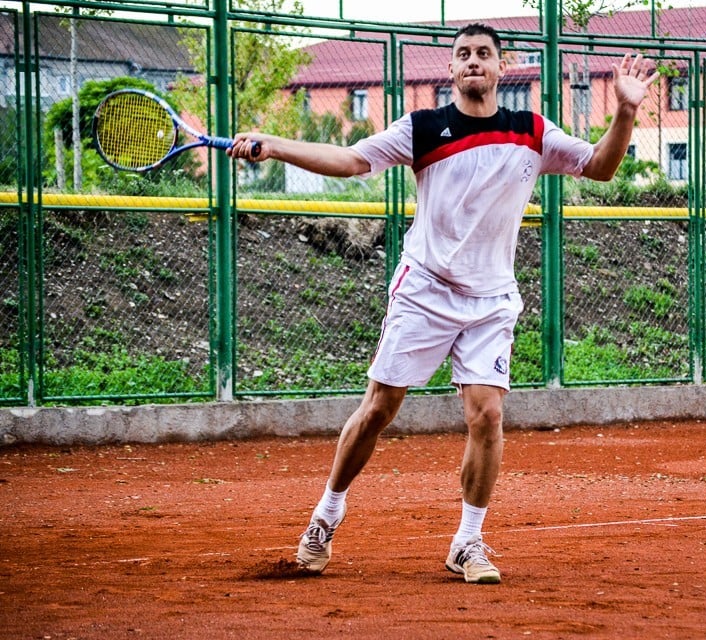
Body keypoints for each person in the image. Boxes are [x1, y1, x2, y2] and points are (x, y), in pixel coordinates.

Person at [228, 22, 659, 584]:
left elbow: (601, 166)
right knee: (379, 410)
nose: (474, 61)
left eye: (485, 54)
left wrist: (623, 112)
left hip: (490, 299)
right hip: (425, 289)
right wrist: (276, 144)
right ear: (451, 71)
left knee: (488, 414)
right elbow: (351, 159)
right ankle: (326, 516)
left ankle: (467, 541)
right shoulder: (423, 129)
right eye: (463, 55)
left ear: (502, 69)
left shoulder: (531, 131)